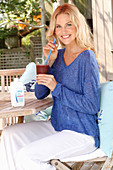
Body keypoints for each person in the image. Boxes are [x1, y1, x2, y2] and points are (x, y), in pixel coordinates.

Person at [0, 3, 100, 170]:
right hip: (57, 127)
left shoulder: (87, 57)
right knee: (9, 134)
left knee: (27, 156)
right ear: (54, 31)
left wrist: (57, 87)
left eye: (69, 24)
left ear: (78, 26)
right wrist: (50, 62)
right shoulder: (57, 56)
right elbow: (40, 93)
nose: (63, 31)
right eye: (58, 26)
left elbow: (91, 105)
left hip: (82, 133)